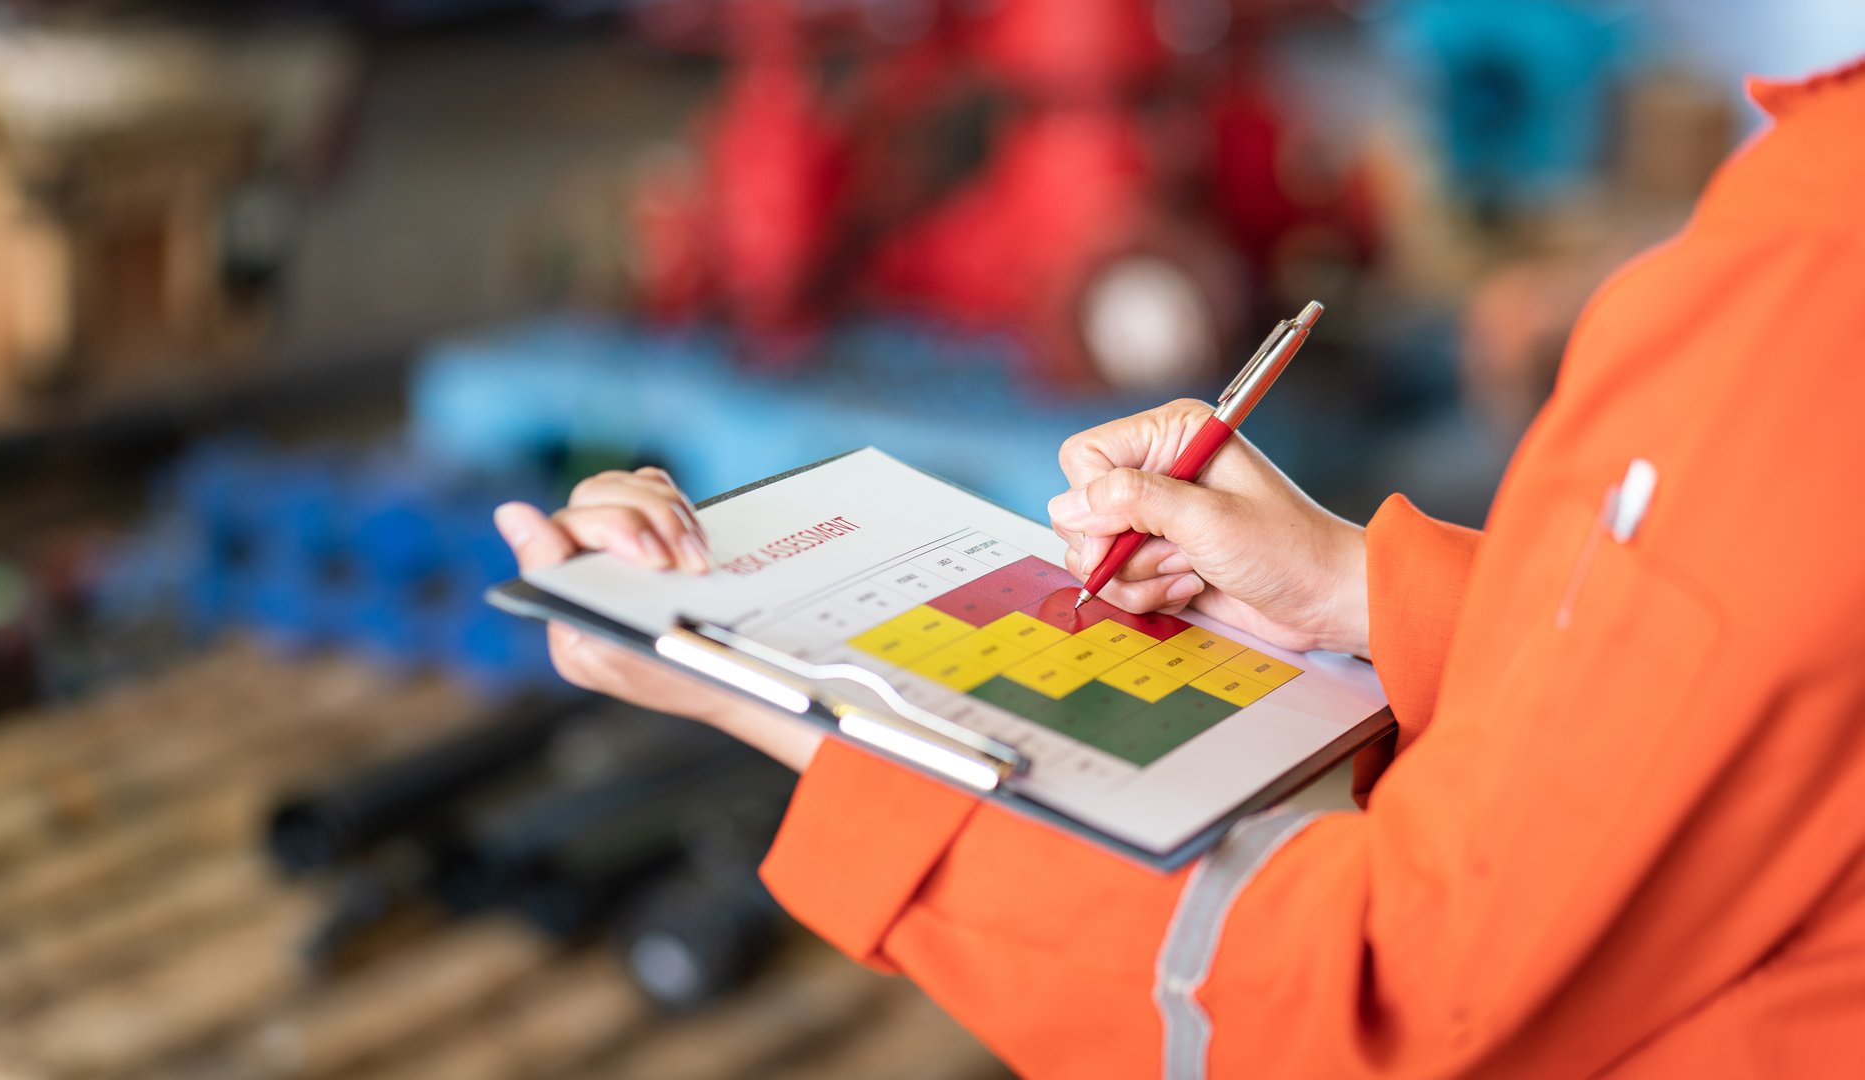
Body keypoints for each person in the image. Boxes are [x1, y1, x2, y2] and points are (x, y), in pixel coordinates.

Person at [492, 59, 1865, 1078]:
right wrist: (1357, 591)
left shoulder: (1811, 273)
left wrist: (771, 697)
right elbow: (1775, 698)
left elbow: (1386, 1011)